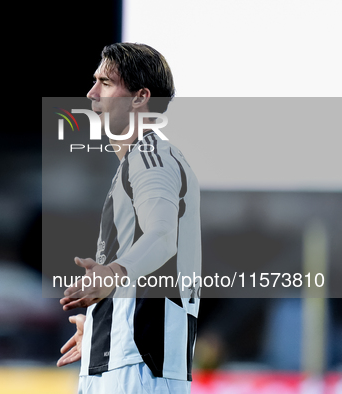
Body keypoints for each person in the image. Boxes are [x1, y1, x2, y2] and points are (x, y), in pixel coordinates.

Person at [57, 43, 201, 394]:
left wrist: (112, 274)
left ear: (140, 98)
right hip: (119, 360)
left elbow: (163, 236)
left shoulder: (152, 156)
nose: (91, 94)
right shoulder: (137, 163)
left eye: (105, 83)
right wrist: (97, 324)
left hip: (138, 365)